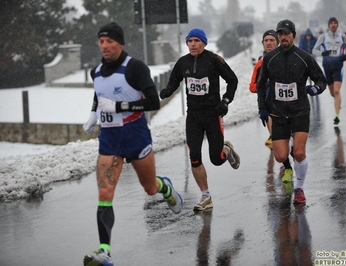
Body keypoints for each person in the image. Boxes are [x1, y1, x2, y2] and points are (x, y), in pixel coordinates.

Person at [82, 22, 183, 266]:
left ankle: (165, 188)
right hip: (109, 139)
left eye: (110, 41)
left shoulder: (135, 67)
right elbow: (99, 93)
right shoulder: (95, 72)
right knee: (105, 193)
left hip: (135, 135)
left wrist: (119, 107)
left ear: (121, 43)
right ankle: (105, 251)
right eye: (101, 41)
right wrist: (93, 113)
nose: (104, 46)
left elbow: (152, 103)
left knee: (149, 188)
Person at [159, 28, 240, 212]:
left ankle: (226, 150)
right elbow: (174, 81)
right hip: (193, 116)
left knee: (216, 159)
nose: (193, 44)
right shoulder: (183, 62)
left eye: (196, 40)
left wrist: (225, 101)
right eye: (190, 41)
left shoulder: (214, 60)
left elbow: (232, 80)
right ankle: (206, 196)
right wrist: (168, 91)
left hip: (213, 114)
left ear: (204, 43)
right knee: (194, 157)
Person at [257, 19, 327, 204]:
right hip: (278, 113)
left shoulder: (304, 57)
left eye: (286, 33)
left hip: (299, 112)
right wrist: (262, 108)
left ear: (293, 35)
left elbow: (321, 80)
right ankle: (288, 152)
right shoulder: (270, 58)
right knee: (280, 156)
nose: (283, 37)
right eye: (280, 34)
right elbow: (260, 84)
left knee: (299, 153)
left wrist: (315, 89)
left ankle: (299, 189)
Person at [249, 29, 294, 183]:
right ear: (263, 44)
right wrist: (265, 85)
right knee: (277, 139)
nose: (268, 43)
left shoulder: (287, 58)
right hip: (269, 105)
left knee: (291, 141)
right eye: (266, 41)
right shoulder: (260, 63)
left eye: (271, 40)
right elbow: (253, 86)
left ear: (278, 42)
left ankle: (292, 154)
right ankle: (287, 166)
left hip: (288, 104)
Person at [312, 17, 346, 125]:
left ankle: (337, 115)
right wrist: (323, 53)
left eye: (335, 23)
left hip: (338, 66)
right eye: (331, 23)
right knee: (332, 92)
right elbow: (314, 50)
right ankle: (336, 101)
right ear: (328, 25)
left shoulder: (342, 36)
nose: (333, 25)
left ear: (337, 25)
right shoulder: (323, 37)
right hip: (327, 66)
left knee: (337, 91)